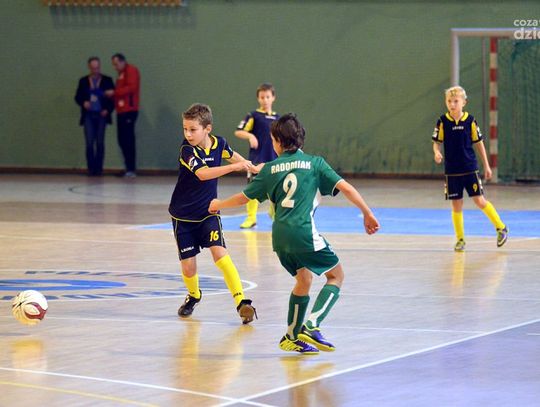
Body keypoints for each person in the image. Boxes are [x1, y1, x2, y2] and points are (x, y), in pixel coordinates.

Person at [209, 113, 380, 354]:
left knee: (304, 279)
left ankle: (290, 337)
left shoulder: (270, 169)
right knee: (336, 276)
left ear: (278, 141)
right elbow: (346, 188)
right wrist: (367, 213)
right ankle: (312, 325)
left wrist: (219, 204)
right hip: (304, 233)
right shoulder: (315, 163)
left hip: (279, 238)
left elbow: (244, 197)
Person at [169, 103, 257, 324]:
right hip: (183, 216)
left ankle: (242, 303)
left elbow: (232, 155)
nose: (188, 134)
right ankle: (194, 295)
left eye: (193, 129)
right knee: (189, 267)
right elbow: (204, 174)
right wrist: (233, 168)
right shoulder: (187, 150)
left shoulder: (220, 144)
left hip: (209, 211)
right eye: (185, 129)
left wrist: (251, 166)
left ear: (207, 128)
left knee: (220, 254)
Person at [432, 86, 508, 251]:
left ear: (464, 102)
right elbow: (436, 142)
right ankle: (460, 239)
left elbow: (479, 143)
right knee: (456, 205)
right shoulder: (442, 121)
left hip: (469, 168)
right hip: (452, 170)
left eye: (456, 101)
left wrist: (486, 165)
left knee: (479, 201)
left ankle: (501, 227)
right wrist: (436, 152)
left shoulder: (470, 121)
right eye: (449, 101)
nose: (452, 104)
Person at [234, 83, 279, 228]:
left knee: (276, 190)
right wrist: (250, 136)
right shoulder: (253, 116)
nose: (265, 100)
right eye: (262, 97)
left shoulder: (278, 118)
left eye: (268, 97)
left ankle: (275, 214)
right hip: (257, 160)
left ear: (273, 98)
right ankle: (251, 218)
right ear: (258, 98)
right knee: (253, 189)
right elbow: (239, 131)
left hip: (274, 160)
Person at [74, 57, 115, 176]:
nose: (95, 70)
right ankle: (91, 169)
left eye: (97, 68)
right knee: (89, 142)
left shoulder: (107, 80)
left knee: (100, 142)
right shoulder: (83, 81)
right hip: (88, 115)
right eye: (93, 68)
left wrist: (107, 110)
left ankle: (99, 169)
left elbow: (113, 98)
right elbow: (77, 97)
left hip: (101, 115)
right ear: (89, 68)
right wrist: (84, 103)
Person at [111, 53, 140, 178]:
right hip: (121, 110)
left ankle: (131, 169)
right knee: (122, 139)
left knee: (128, 139)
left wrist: (115, 92)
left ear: (123, 62)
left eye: (116, 64)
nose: (115, 67)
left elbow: (132, 88)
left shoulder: (131, 71)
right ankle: (128, 167)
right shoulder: (121, 74)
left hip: (129, 110)